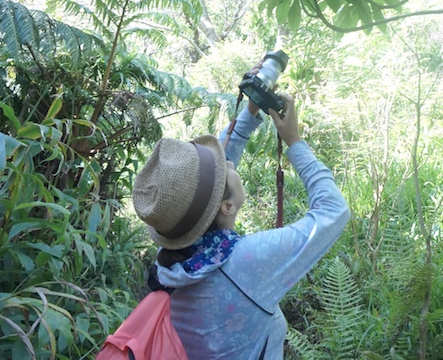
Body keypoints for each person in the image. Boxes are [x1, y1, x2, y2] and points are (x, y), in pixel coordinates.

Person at [132, 93, 350, 359]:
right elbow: (334, 210)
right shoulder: (247, 262)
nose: (230, 162)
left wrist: (250, 112)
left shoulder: (174, 259)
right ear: (226, 206)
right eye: (226, 169)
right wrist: (295, 142)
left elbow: (211, 182)